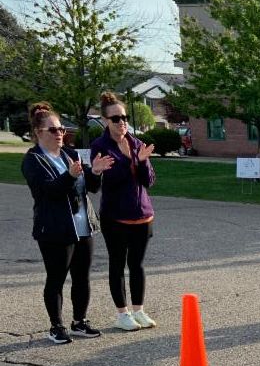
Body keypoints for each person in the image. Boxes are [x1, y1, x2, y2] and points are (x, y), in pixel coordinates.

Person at [21, 101, 110, 344]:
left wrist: (96, 172)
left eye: (61, 129)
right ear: (39, 133)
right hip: (54, 229)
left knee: (82, 276)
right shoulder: (33, 160)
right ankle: (56, 326)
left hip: (83, 226)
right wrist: (70, 176)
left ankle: (79, 322)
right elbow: (49, 192)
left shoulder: (70, 154)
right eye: (53, 130)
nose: (60, 133)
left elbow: (89, 187)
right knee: (56, 278)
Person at [90, 91, 158, 331]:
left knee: (137, 265)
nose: (122, 122)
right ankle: (122, 314)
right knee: (117, 265)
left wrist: (140, 161)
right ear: (106, 121)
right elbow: (112, 181)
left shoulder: (136, 142)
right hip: (116, 217)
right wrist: (129, 162)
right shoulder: (100, 146)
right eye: (116, 118)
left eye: (125, 117)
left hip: (142, 215)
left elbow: (148, 180)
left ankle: (138, 310)